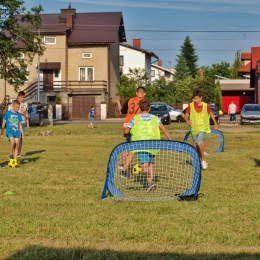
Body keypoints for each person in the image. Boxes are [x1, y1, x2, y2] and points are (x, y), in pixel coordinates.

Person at [124, 99, 172, 192]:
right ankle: (152, 180)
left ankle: (150, 182)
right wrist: (170, 140)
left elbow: (127, 131)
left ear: (140, 109)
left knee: (144, 163)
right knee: (151, 162)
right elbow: (165, 130)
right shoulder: (155, 118)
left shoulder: (135, 118)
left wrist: (125, 133)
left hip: (140, 144)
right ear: (149, 108)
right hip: (153, 145)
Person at [114, 86, 147, 173]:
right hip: (136, 125)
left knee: (128, 145)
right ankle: (125, 168)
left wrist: (118, 103)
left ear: (136, 93)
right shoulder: (144, 102)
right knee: (134, 148)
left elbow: (121, 112)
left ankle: (123, 164)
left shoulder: (130, 100)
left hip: (127, 124)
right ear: (144, 94)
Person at [185, 89, 218, 170]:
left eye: (197, 98)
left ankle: (203, 160)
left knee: (199, 143)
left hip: (203, 127)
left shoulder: (206, 105)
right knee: (196, 145)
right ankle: (200, 159)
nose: (195, 100)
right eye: (194, 98)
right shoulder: (191, 105)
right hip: (194, 128)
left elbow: (210, 113)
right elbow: (186, 115)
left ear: (201, 97)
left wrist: (215, 123)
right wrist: (187, 120)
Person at [1, 100, 24, 167]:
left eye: (18, 107)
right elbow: (3, 123)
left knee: (17, 145)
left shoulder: (18, 115)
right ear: (13, 106)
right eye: (16, 107)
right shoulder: (8, 113)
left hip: (17, 132)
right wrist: (2, 133)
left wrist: (22, 134)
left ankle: (15, 161)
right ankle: (11, 155)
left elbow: (20, 125)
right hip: (10, 131)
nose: (18, 108)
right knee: (13, 142)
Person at [16, 91, 30, 157]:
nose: (23, 99)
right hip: (17, 122)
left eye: (24, 97)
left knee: (21, 138)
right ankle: (14, 153)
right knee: (17, 138)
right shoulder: (15, 103)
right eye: (22, 97)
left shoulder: (26, 103)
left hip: (23, 122)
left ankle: (19, 153)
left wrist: (27, 123)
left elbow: (26, 113)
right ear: (18, 96)